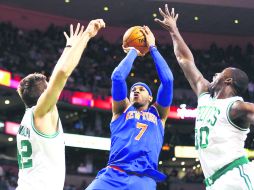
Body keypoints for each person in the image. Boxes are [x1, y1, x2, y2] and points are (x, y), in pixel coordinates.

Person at [155, 4, 254, 189]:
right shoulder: (205, 95)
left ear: (228, 80)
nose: (215, 74)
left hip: (235, 176)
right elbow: (185, 60)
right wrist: (174, 30)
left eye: (220, 73)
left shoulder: (237, 107)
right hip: (214, 181)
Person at [16, 19, 105, 190]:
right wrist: (86, 35)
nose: (52, 86)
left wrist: (69, 47)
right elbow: (62, 73)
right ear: (45, 94)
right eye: (48, 85)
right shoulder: (42, 111)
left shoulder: (29, 117)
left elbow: (58, 73)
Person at [86, 26, 174, 190]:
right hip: (112, 175)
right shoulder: (121, 109)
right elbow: (118, 77)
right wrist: (134, 50)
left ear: (150, 98)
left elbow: (168, 80)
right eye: (133, 89)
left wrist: (153, 48)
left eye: (142, 90)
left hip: (143, 180)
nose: (136, 90)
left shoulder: (159, 114)